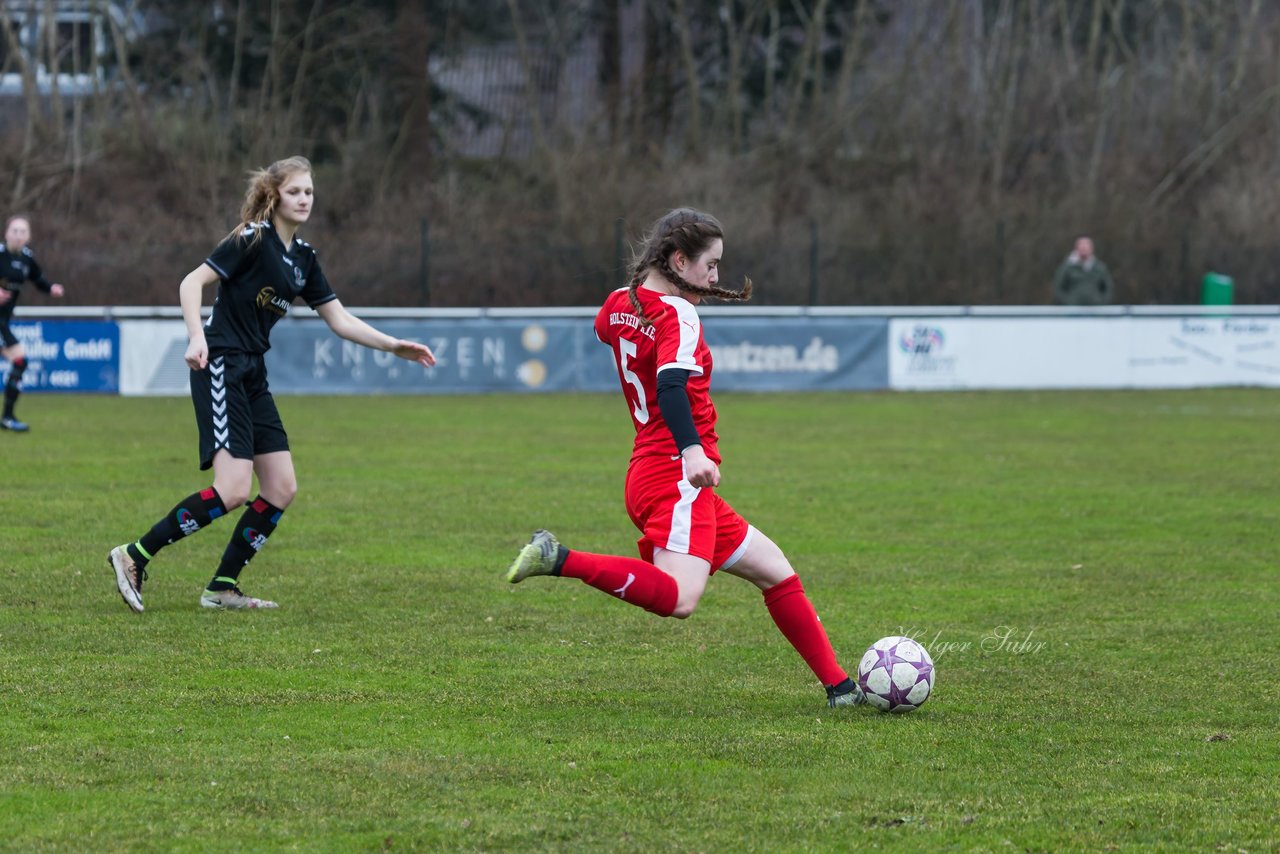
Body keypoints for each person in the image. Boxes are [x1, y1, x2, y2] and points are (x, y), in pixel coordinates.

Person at [505, 207, 866, 709]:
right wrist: (692, 450)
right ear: (678, 259)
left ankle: (841, 689)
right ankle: (558, 558)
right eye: (711, 264)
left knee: (775, 570)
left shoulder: (615, 304)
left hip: (647, 469)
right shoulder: (679, 314)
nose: (716, 277)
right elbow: (670, 384)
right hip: (677, 474)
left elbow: (608, 331)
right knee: (680, 598)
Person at [108, 155, 436, 613]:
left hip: (253, 374)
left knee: (281, 487)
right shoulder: (251, 238)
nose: (304, 200)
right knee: (233, 489)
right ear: (274, 194)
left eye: (310, 192)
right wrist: (197, 337)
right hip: (219, 363)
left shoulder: (303, 259)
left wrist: (392, 344)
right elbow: (191, 283)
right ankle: (134, 555)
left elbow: (338, 319)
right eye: (296, 191)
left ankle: (221, 587)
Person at [0, 215, 67, 432]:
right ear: (6, 233)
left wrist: (51, 289)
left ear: (28, 236)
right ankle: (7, 417)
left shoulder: (27, 259)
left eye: (23, 231)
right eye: (14, 230)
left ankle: (7, 418)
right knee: (20, 360)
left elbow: (38, 280)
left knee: (20, 362)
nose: (18, 235)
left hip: (3, 322)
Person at [1053, 236, 1116, 306]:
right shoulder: (1067, 268)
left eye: (1086, 247)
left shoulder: (1100, 268)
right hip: (1072, 311)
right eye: (1081, 247)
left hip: (1096, 311)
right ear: (1076, 249)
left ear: (1091, 249)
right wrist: (1068, 302)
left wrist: (1101, 302)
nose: (1084, 250)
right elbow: (1058, 288)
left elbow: (1108, 288)